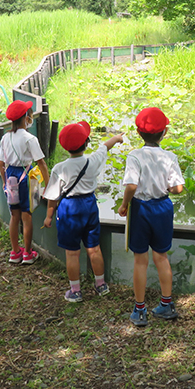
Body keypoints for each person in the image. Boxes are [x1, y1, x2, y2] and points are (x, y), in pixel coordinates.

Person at [43, 121, 124, 302]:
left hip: (69, 209)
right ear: (87, 142)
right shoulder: (92, 161)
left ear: (64, 146)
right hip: (89, 205)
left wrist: (49, 216)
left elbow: (52, 197)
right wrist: (117, 138)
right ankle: (101, 285)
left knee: (72, 253)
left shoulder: (59, 168)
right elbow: (105, 146)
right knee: (94, 248)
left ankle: (75, 291)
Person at [118, 107, 184, 327]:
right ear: (164, 132)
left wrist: (125, 204)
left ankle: (140, 309)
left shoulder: (134, 156)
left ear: (139, 133)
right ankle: (167, 304)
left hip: (141, 209)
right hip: (163, 208)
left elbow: (131, 185)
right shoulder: (170, 157)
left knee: (140, 260)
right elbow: (178, 189)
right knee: (161, 256)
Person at [0, 100, 50, 265]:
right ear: (26, 118)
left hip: (11, 176)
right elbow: (41, 163)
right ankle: (27, 253)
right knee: (26, 216)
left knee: (14, 216)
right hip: (26, 176)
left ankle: (15, 252)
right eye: (29, 115)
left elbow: (0, 164)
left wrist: (5, 183)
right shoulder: (30, 138)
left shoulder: (5, 138)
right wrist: (49, 186)